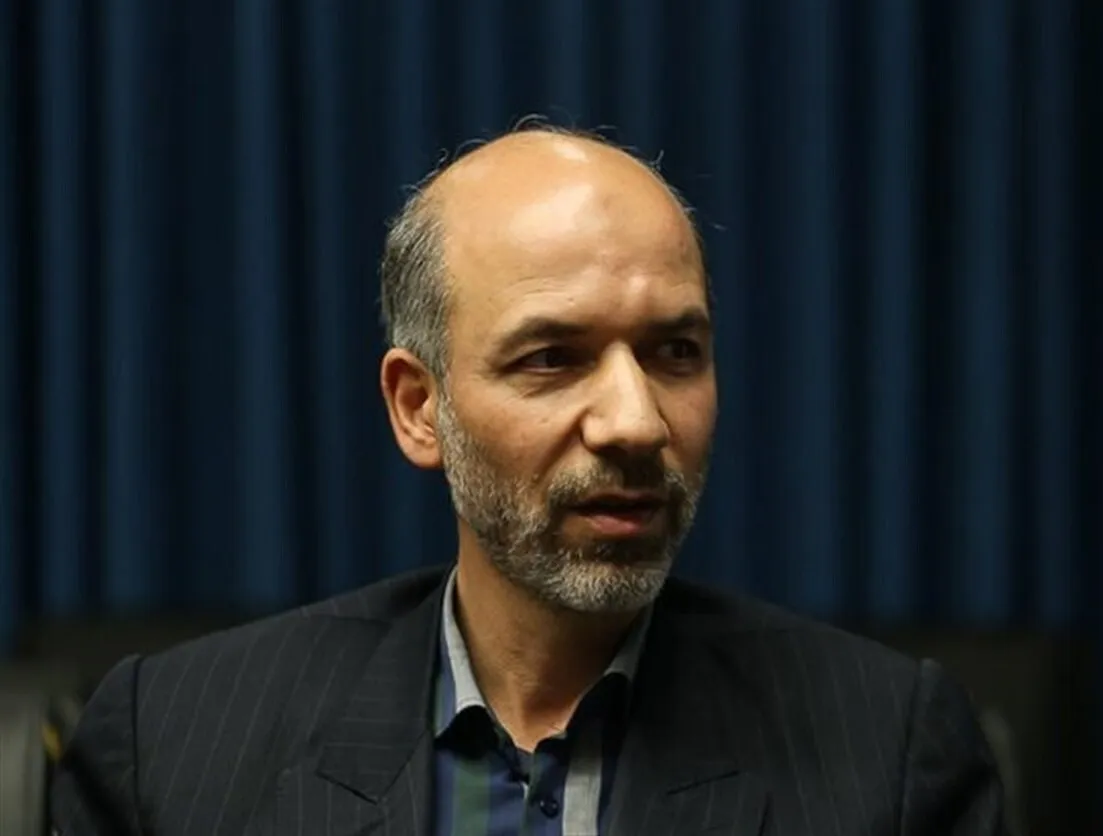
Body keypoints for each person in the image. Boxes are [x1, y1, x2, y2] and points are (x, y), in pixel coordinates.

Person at [51, 125, 1006, 835]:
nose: (637, 422)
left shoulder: (889, 756)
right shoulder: (171, 748)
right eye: (552, 358)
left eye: (675, 352)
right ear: (419, 408)